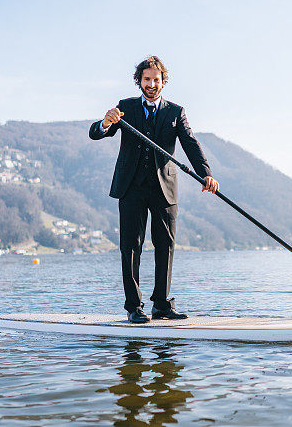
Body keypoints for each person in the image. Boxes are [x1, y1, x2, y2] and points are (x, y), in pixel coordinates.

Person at [89, 56, 219, 323]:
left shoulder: (175, 112)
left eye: (156, 80)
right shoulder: (125, 107)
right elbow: (96, 133)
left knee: (165, 245)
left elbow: (190, 144)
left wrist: (206, 173)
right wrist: (106, 122)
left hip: (165, 187)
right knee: (131, 247)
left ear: (163, 81)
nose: (151, 84)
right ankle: (134, 308)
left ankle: (161, 305)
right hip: (131, 186)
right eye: (146, 79)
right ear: (140, 81)